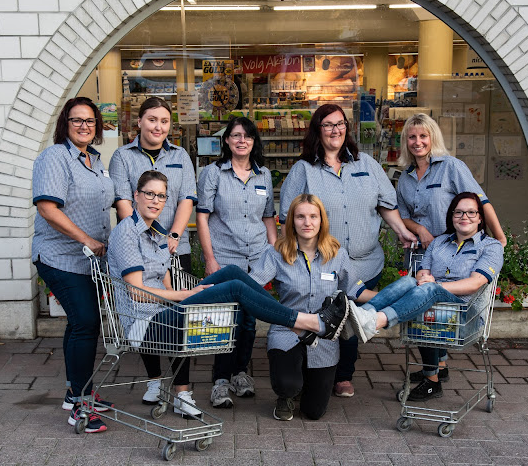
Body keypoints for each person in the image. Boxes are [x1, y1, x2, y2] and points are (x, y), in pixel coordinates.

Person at [106, 173, 350, 423]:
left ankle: (301, 325)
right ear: (136, 196)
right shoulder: (127, 233)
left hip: (164, 314)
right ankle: (307, 323)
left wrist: (183, 300)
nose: (155, 200)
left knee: (233, 272)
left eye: (161, 196)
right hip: (142, 324)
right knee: (235, 287)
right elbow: (136, 291)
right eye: (149, 194)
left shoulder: (158, 234)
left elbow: (164, 280)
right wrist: (188, 295)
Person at [280, 103, 416, 398]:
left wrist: (402, 231)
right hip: (323, 265)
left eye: (340, 124)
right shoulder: (304, 170)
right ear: (318, 130)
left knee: (351, 320)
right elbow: (287, 217)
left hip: (366, 262)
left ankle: (344, 375)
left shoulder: (366, 164)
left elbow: (386, 205)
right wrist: (289, 258)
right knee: (322, 317)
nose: (335, 130)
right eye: (328, 125)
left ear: (347, 128)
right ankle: (316, 371)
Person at [348, 192, 504, 401]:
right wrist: (423, 278)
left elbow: (475, 283)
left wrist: (435, 284)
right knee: (409, 282)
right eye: (458, 212)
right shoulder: (439, 243)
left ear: (480, 218)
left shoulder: (490, 247)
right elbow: (422, 272)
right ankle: (362, 315)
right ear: (451, 216)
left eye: (471, 212)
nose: (464, 217)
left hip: (466, 315)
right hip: (433, 308)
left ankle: (375, 320)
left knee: (428, 292)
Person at [396, 113, 506, 385]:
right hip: (422, 252)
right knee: (423, 315)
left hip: (453, 253)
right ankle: (437, 366)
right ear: (405, 141)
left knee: (438, 312)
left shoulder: (451, 167)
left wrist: (500, 238)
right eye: (412, 136)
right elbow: (401, 215)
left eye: (423, 136)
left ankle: (431, 375)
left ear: (433, 138)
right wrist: (420, 230)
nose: (417, 141)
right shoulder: (405, 177)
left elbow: (480, 202)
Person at [249, 193, 377, 421]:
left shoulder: (338, 255)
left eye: (313, 216)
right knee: (288, 384)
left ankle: (305, 381)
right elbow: (251, 286)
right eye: (300, 217)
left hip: (324, 338)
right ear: (291, 221)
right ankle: (286, 394)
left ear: (321, 220)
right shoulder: (277, 253)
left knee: (313, 412)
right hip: (287, 331)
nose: (307, 223)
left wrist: (396, 297)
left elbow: (357, 292)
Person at [32, 97, 115, 433]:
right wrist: (88, 240)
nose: (84, 126)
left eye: (90, 121)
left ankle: (73, 391)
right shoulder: (55, 157)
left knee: (79, 324)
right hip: (59, 255)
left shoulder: (94, 160)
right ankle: (81, 405)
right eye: (77, 120)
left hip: (88, 261)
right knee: (86, 322)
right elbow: (48, 209)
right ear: (65, 124)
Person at [109, 97, 197, 406]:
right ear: (140, 122)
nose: (158, 126)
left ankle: (183, 390)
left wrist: (172, 233)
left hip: (174, 246)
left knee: (174, 316)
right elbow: (123, 201)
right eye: (152, 119)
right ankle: (154, 381)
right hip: (138, 244)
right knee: (144, 309)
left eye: (163, 121)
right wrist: (135, 237)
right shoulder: (122, 156)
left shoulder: (180, 155)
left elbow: (187, 198)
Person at [196, 117, 276, 408]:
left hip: (257, 258)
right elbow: (202, 217)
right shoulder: (213, 173)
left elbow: (268, 217)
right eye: (236, 135)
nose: (242, 141)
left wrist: (274, 253)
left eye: (248, 136)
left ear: (254, 142)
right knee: (226, 320)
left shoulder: (263, 175)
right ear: (227, 141)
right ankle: (220, 381)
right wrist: (209, 259)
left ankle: (240, 374)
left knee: (249, 321)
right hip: (226, 259)